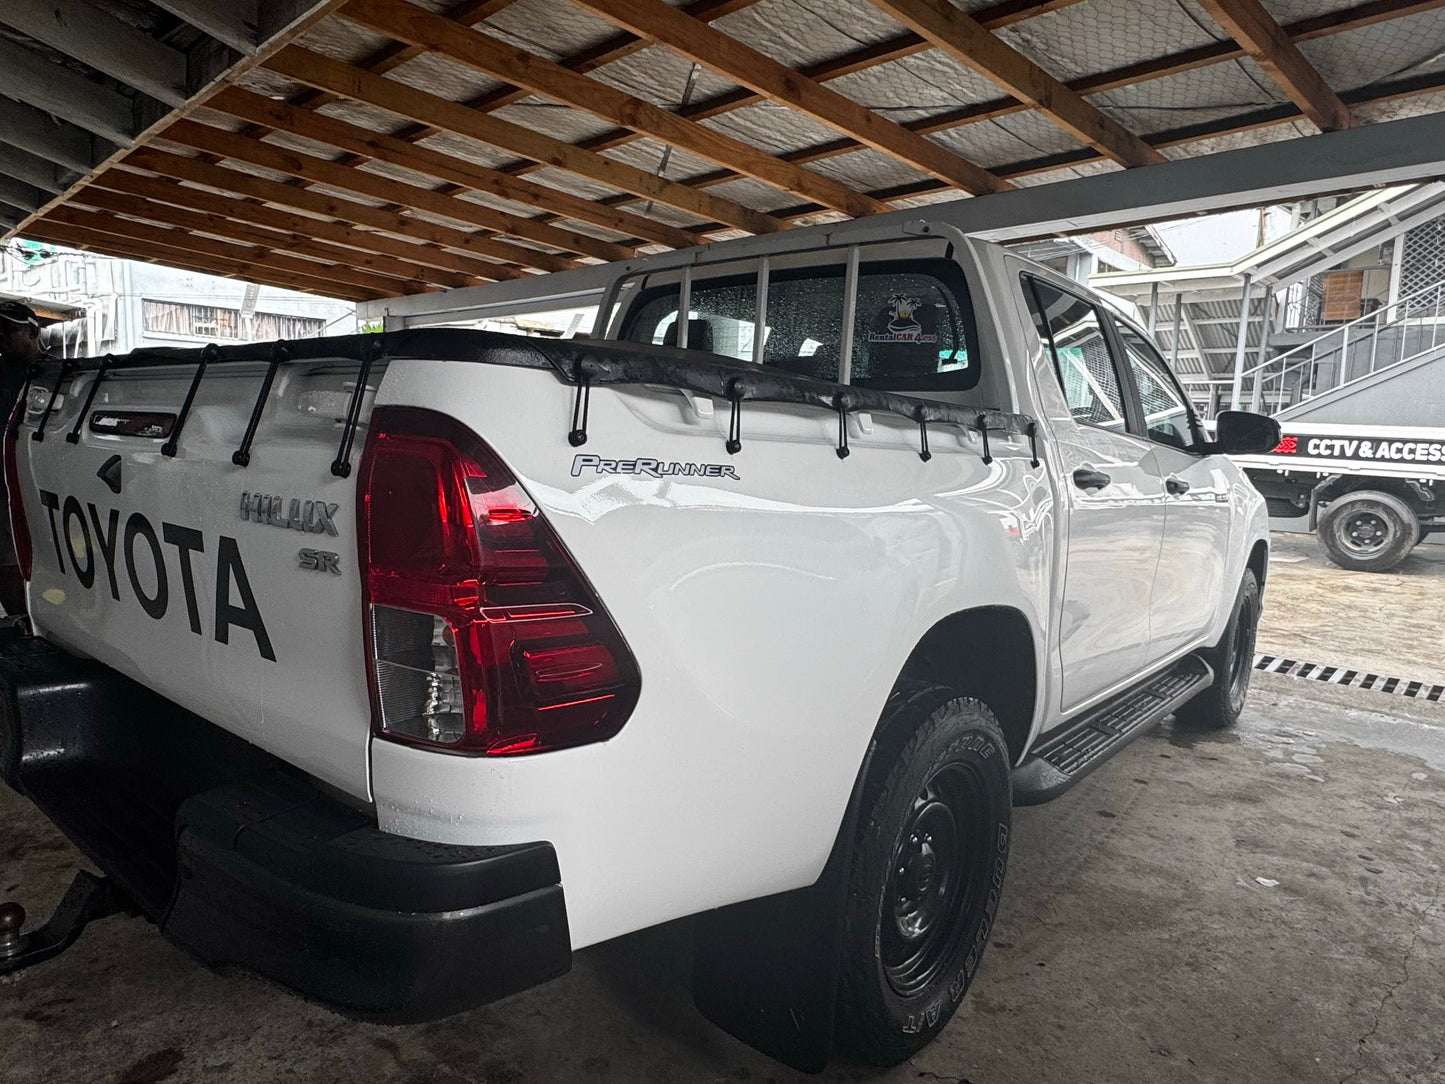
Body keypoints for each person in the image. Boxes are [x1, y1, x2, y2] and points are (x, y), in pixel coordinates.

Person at [0, 300, 47, 616]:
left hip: (46, 485)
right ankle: (23, 621)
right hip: (3, 485)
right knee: (5, 559)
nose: (1, 336)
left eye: (8, 329)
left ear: (32, 330)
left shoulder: (62, 373)